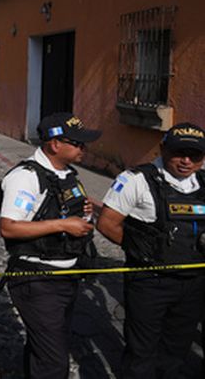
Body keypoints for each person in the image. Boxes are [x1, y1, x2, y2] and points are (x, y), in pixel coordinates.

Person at [97, 122, 205, 378]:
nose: (186, 161)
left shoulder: (202, 181)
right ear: (163, 149)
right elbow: (107, 223)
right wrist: (142, 251)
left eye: (196, 156)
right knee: (141, 350)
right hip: (150, 281)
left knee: (177, 347)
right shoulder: (136, 180)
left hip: (193, 282)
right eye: (179, 153)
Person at [0, 112, 100, 378]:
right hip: (37, 279)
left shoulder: (67, 173)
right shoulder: (25, 178)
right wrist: (64, 225)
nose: (83, 149)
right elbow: (9, 226)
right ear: (55, 144)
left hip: (65, 274)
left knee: (43, 349)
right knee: (54, 363)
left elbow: (66, 209)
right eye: (77, 144)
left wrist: (84, 212)